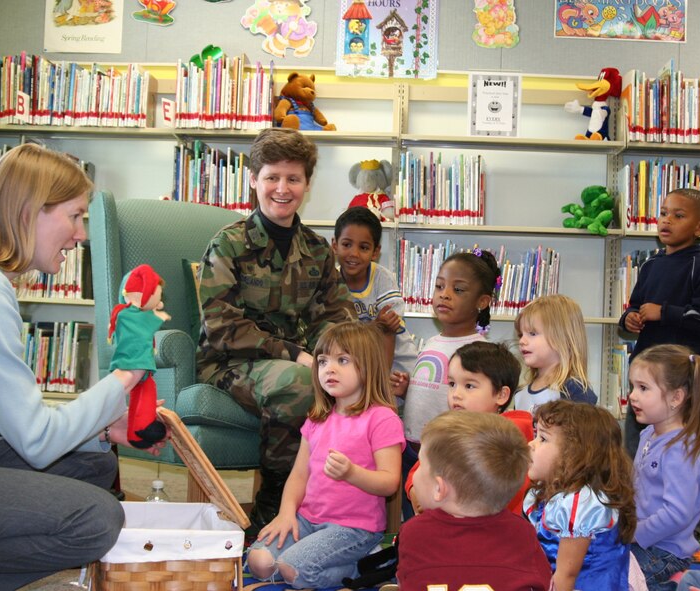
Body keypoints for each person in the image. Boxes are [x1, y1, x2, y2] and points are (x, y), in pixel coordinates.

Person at [0, 143, 159, 591]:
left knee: (92, 464)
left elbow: (16, 422)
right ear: (31, 211)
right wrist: (126, 375)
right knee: (96, 518)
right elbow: (37, 440)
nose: (80, 234)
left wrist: (104, 431)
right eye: (74, 216)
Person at [196, 128, 355, 532]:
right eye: (272, 177)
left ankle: (342, 511)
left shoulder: (318, 249)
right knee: (300, 383)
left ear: (306, 184)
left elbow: (334, 318)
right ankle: (274, 502)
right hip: (228, 364)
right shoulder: (228, 244)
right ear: (254, 179)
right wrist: (296, 355)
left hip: (300, 362)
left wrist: (339, 359)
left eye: (293, 179)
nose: (282, 188)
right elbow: (222, 326)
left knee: (351, 380)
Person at [246, 322, 404, 589]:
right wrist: (286, 514)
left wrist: (352, 474)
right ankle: (315, 563)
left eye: (342, 360)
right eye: (322, 361)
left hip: (354, 529)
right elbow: (299, 474)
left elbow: (390, 482)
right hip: (308, 519)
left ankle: (362, 567)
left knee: (292, 568)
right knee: (258, 561)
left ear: (368, 366)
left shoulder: (382, 418)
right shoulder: (318, 417)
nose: (329, 368)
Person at [392, 248, 501, 518]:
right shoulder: (432, 341)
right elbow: (435, 390)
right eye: (440, 286)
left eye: (458, 289)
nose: (445, 294)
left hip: (445, 457)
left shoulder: (477, 350)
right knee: (412, 519)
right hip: (411, 450)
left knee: (440, 521)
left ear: (483, 301)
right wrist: (409, 390)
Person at [397, 411, 551, 591]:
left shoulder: (414, 533)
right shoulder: (523, 533)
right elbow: (545, 584)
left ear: (439, 489)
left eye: (421, 464)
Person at [619, 188, 700, 457]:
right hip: (647, 373)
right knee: (636, 443)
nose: (667, 220)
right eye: (664, 213)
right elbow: (635, 304)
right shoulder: (651, 264)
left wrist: (665, 312)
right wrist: (629, 318)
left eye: (679, 216)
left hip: (684, 377)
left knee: (682, 445)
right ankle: (634, 491)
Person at [405, 341, 533, 515]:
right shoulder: (451, 429)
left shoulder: (508, 440)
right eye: (452, 384)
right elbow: (422, 464)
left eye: (469, 386)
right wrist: (414, 489)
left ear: (502, 395)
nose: (456, 394)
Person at [524, 400, 637, 591]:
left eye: (543, 438)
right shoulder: (547, 493)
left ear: (576, 454)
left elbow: (566, 575)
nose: (531, 444)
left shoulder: (580, 503)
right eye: (536, 435)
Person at [628, 345, 700, 591]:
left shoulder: (680, 449)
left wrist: (635, 532)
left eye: (643, 388)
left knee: (619, 580)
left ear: (676, 398)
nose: (632, 396)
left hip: (664, 550)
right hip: (645, 540)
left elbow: (677, 513)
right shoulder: (650, 433)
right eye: (632, 386)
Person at [331, 206, 417, 379]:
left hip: (397, 367)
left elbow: (389, 329)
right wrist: (376, 325)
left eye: (363, 247)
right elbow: (339, 336)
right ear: (335, 245)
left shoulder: (382, 278)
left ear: (375, 252)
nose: (354, 254)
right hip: (359, 367)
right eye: (347, 245)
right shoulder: (331, 282)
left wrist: (381, 383)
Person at [513, 294, 598, 413]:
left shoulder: (574, 390)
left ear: (562, 338)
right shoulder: (520, 394)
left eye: (532, 334)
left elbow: (584, 431)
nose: (522, 341)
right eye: (520, 335)